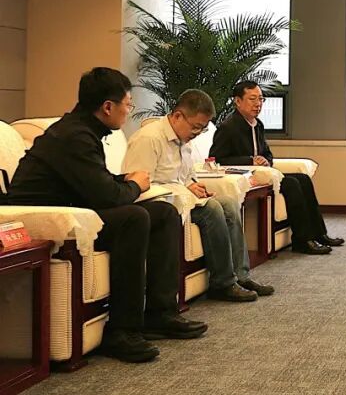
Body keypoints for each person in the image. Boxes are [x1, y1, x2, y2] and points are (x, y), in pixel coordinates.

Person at [1, 67, 207, 363]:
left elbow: (95, 181)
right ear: (108, 107)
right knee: (134, 218)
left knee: (164, 212)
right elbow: (106, 195)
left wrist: (124, 180)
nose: (128, 111)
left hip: (75, 207)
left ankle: (160, 313)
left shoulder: (83, 131)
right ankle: (122, 330)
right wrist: (134, 185)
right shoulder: (73, 136)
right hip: (51, 219)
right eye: (127, 105)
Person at [123, 89, 274, 303]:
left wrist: (193, 186)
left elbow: (185, 176)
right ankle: (223, 283)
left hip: (184, 197)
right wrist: (185, 191)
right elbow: (139, 185)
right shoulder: (148, 139)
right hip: (163, 204)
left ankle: (241, 276)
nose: (197, 133)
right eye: (195, 127)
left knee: (228, 203)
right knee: (212, 208)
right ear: (178, 116)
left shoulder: (184, 140)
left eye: (202, 129)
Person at [210, 81, 343, 255]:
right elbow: (217, 159)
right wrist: (250, 160)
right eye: (252, 99)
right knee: (292, 184)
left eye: (261, 99)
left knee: (303, 179)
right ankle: (302, 240)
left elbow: (267, 153)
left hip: (263, 173)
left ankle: (319, 234)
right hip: (246, 177)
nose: (258, 104)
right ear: (238, 101)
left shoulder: (257, 124)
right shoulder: (228, 127)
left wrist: (266, 160)